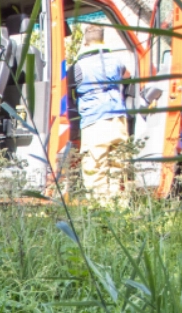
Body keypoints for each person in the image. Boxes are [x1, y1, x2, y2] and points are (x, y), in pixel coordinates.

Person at [72, 26, 130, 202]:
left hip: (95, 122)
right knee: (118, 168)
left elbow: (65, 90)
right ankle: (119, 207)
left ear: (85, 42)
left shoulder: (79, 67)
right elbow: (128, 78)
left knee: (95, 170)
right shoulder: (117, 61)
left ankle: (100, 209)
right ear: (103, 40)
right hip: (119, 121)